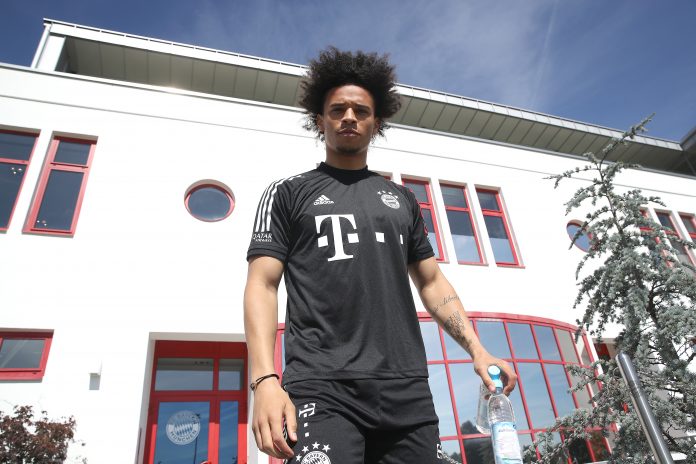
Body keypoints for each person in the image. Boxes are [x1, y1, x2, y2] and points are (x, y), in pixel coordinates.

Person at [244, 47, 517, 463]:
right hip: (322, 386)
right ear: (319, 120)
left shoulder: (402, 200)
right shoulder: (287, 193)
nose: (349, 117)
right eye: (337, 110)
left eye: (361, 111)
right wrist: (264, 380)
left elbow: (431, 282)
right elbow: (262, 285)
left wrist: (478, 350)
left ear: (377, 123)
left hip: (406, 392)